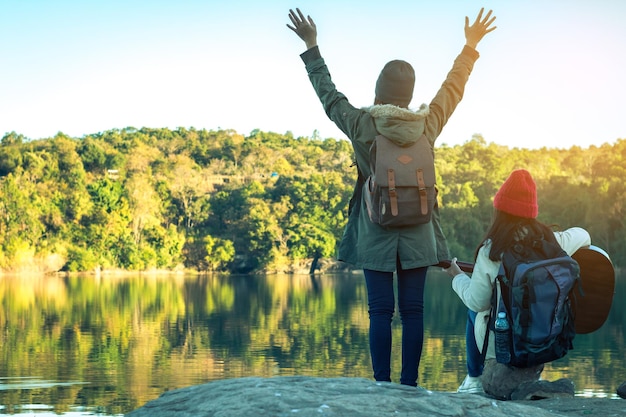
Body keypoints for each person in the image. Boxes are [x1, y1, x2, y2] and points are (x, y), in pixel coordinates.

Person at [287, 7, 496, 387]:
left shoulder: (364, 124)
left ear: (379, 91)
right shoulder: (427, 123)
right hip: (418, 230)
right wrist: (470, 48)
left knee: (380, 311)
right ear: (409, 94)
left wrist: (312, 47)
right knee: (413, 311)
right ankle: (409, 386)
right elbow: (453, 90)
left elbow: (329, 97)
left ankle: (381, 385)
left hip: (375, 230)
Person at [443, 169, 591, 399]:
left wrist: (457, 277)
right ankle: (532, 379)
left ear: (500, 210)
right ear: (532, 212)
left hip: (504, 351)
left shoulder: (492, 251)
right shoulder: (552, 242)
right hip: (542, 346)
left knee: (474, 310)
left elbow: (477, 301)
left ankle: (473, 378)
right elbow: (584, 235)